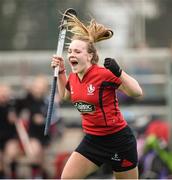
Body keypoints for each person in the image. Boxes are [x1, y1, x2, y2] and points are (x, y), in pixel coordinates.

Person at [51, 13, 143, 179]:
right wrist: (62, 72)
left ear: (90, 56)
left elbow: (136, 92)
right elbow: (65, 96)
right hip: (93, 140)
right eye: (70, 51)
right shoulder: (73, 76)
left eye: (77, 51)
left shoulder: (103, 74)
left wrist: (120, 73)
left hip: (119, 141)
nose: (71, 54)